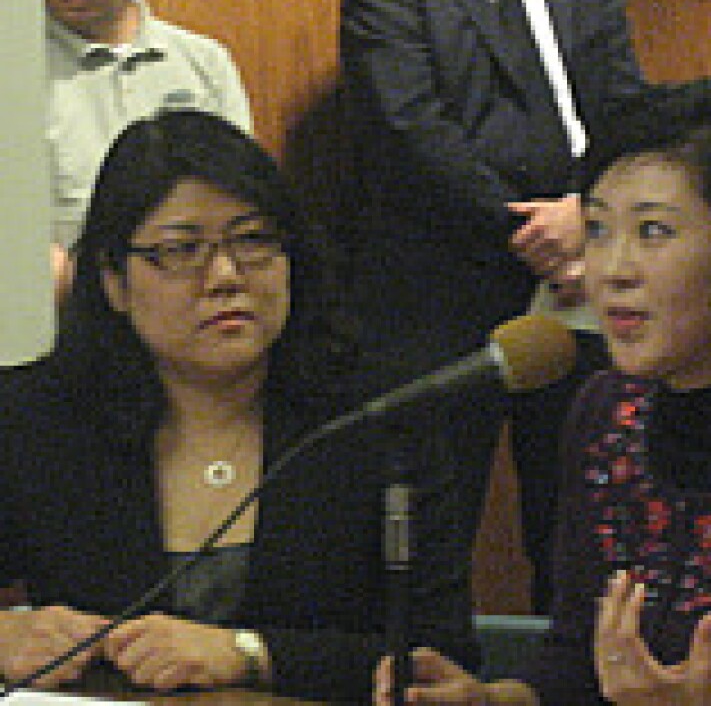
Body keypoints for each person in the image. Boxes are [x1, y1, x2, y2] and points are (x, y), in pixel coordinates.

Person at [374, 78, 711, 705]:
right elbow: (573, 662)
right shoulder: (608, 415)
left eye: (654, 232)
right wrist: (496, 699)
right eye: (598, 229)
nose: (610, 270)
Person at [0, 110, 477, 702]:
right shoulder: (35, 416)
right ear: (113, 281)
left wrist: (252, 654)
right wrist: (3, 633)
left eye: (252, 241)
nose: (225, 276)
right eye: (182, 250)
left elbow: (443, 662)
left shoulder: (378, 416)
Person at [340, 0, 643, 609]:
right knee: (434, 543)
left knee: (581, 527)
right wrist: (535, 232)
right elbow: (410, 132)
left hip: (586, 285)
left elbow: (625, 107)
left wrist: (591, 218)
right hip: (442, 295)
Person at [43, 0, 252, 268]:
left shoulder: (203, 64)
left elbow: (241, 195)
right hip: (62, 302)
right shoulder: (15, 70)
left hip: (189, 290)